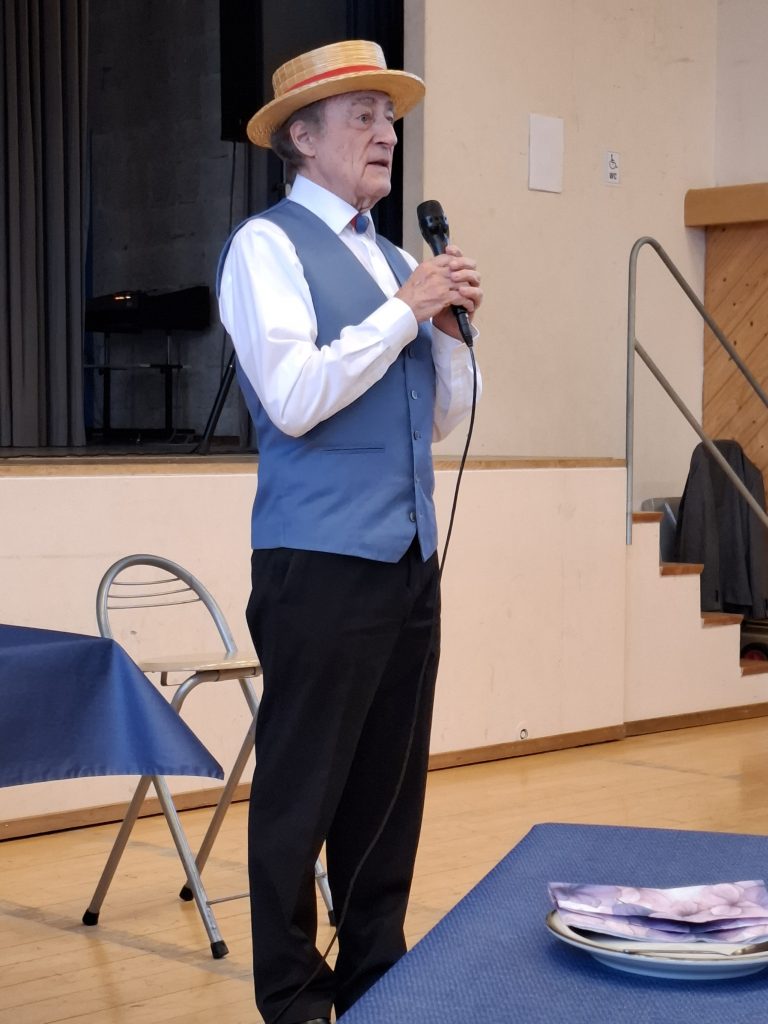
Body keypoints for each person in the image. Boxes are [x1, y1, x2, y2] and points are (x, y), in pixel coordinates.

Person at [217, 39, 482, 1024]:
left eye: (390, 118)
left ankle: (376, 978)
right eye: (363, 116)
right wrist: (403, 313)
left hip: (408, 562)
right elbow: (293, 395)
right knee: (302, 794)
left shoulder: (398, 259)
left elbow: (439, 419)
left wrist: (446, 337)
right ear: (303, 136)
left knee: (387, 791)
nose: (387, 134)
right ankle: (292, 997)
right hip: (318, 563)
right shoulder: (266, 248)